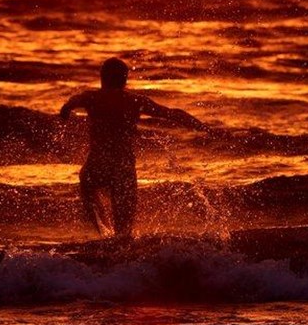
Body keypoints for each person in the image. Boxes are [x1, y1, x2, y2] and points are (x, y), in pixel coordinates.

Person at [59, 57, 207, 239]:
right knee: (124, 233)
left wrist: (66, 109)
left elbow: (71, 103)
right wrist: (201, 126)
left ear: (102, 78)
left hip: (98, 165)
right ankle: (119, 247)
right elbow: (171, 113)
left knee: (87, 184)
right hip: (123, 168)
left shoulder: (91, 98)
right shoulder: (135, 101)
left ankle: (103, 234)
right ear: (125, 79)